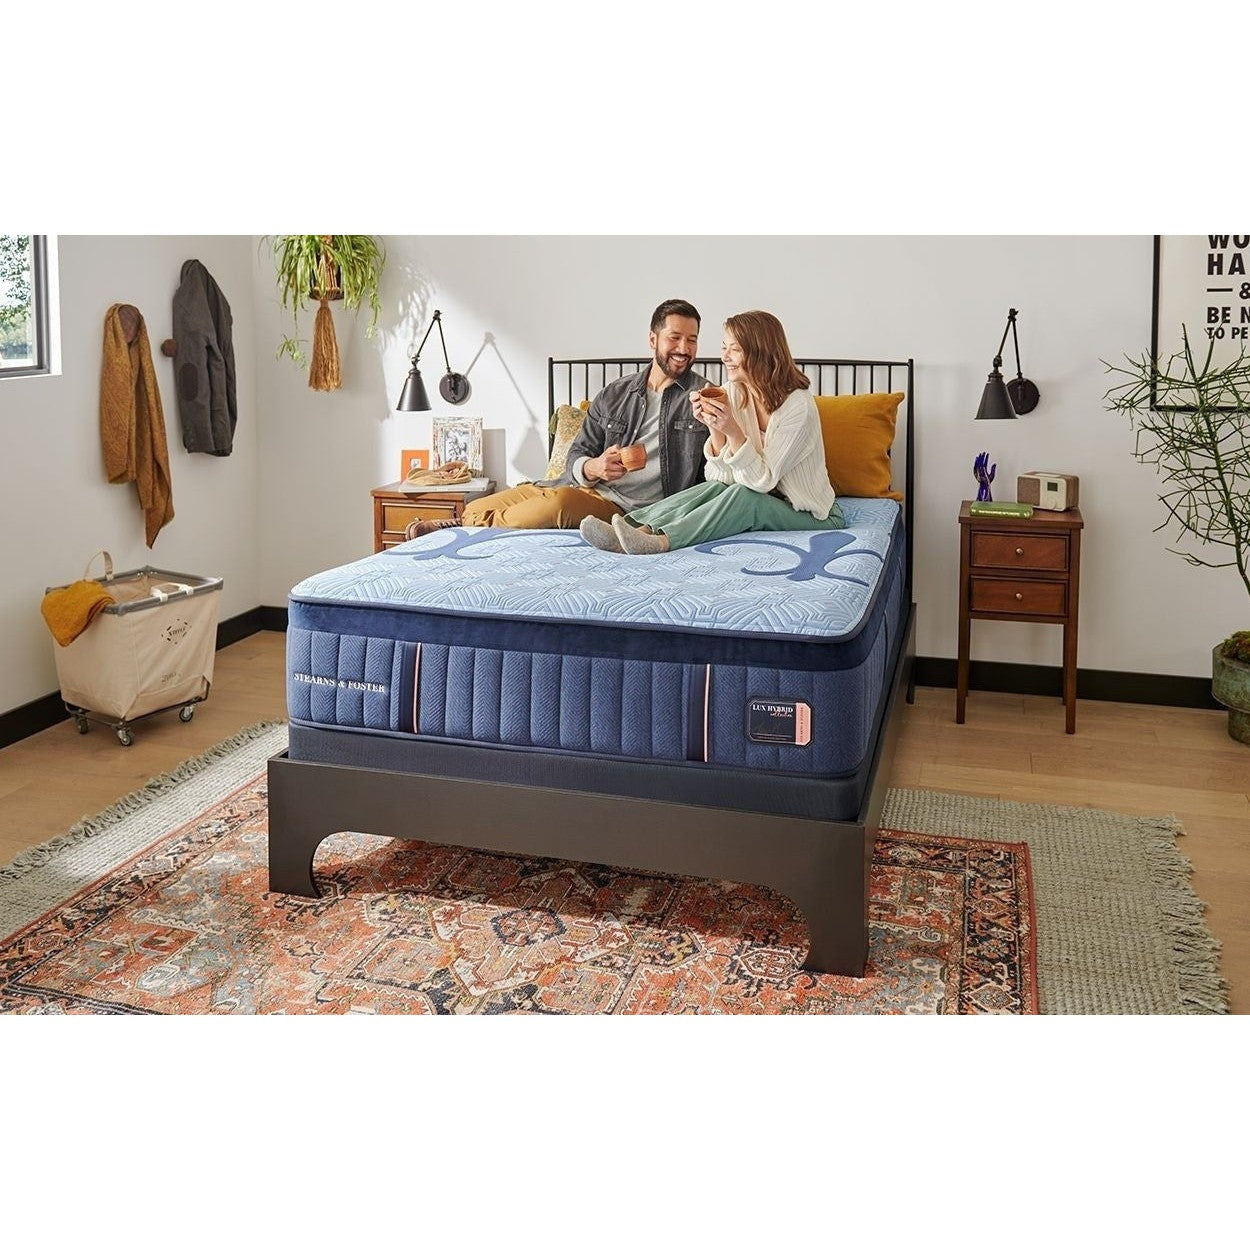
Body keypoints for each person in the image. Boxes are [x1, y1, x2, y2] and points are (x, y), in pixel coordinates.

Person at [405, 299, 710, 536]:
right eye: (675, 338)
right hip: (577, 485)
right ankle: (467, 521)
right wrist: (594, 466)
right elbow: (577, 453)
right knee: (483, 504)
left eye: (692, 340)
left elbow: (718, 467)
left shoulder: (705, 397)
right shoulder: (616, 393)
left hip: (625, 509)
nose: (684, 349)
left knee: (559, 505)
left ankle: (463, 528)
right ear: (653, 339)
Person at [579, 310, 845, 555]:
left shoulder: (797, 405)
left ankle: (663, 541)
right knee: (713, 489)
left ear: (760, 352)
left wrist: (733, 431)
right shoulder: (732, 392)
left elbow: (763, 482)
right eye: (724, 347)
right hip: (761, 495)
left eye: (735, 349)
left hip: (810, 513)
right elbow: (721, 479)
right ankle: (631, 528)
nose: (725, 357)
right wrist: (715, 429)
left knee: (745, 497)